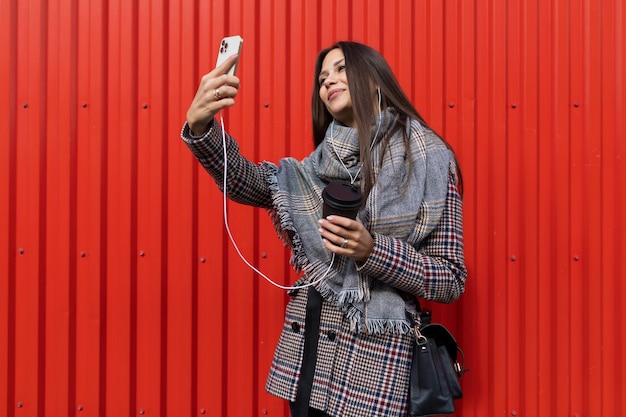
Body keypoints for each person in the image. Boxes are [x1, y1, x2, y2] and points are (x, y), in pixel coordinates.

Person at [181, 41, 467, 417]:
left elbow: (451, 279)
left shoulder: (429, 161)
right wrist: (202, 127)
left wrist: (373, 251)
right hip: (307, 350)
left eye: (340, 68)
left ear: (375, 79)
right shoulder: (310, 171)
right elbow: (245, 180)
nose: (328, 80)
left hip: (375, 367)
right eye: (322, 77)